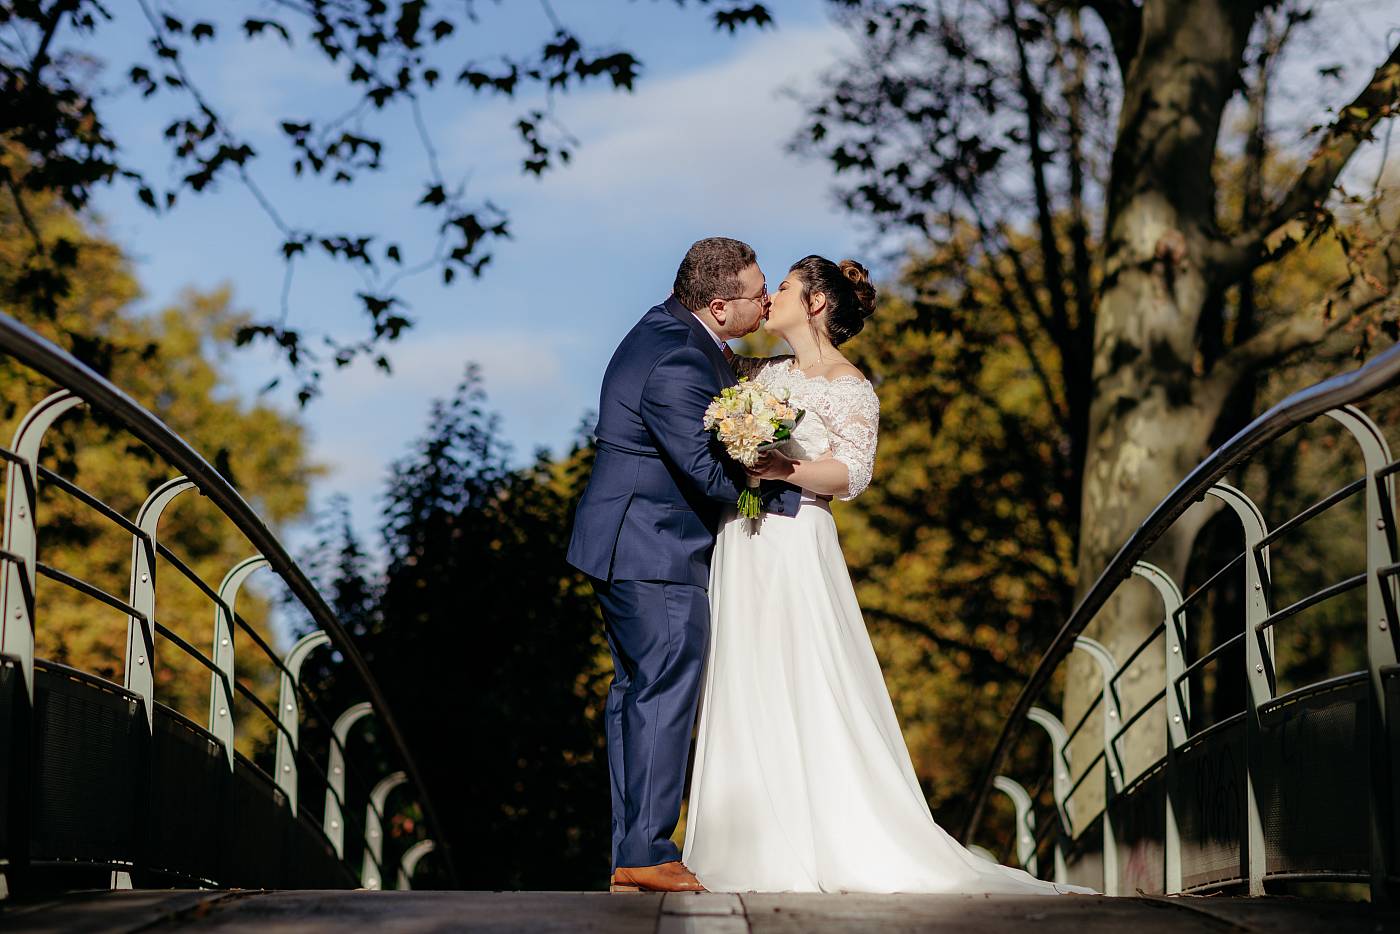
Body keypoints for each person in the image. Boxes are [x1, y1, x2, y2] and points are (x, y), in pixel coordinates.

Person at [681, 255, 1092, 895]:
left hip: (794, 540)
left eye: (783, 287)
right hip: (742, 541)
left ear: (815, 303)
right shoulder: (759, 374)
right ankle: (748, 842)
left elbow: (852, 474)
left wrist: (780, 469)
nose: (772, 298)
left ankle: (831, 836)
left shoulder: (848, 384)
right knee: (745, 673)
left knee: (805, 674)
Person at [565, 237, 799, 893]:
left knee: (637, 699)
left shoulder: (673, 332)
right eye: (758, 294)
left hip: (631, 543)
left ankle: (633, 854)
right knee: (664, 692)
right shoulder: (675, 357)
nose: (766, 301)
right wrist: (787, 496)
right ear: (720, 305)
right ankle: (644, 853)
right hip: (653, 548)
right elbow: (703, 470)